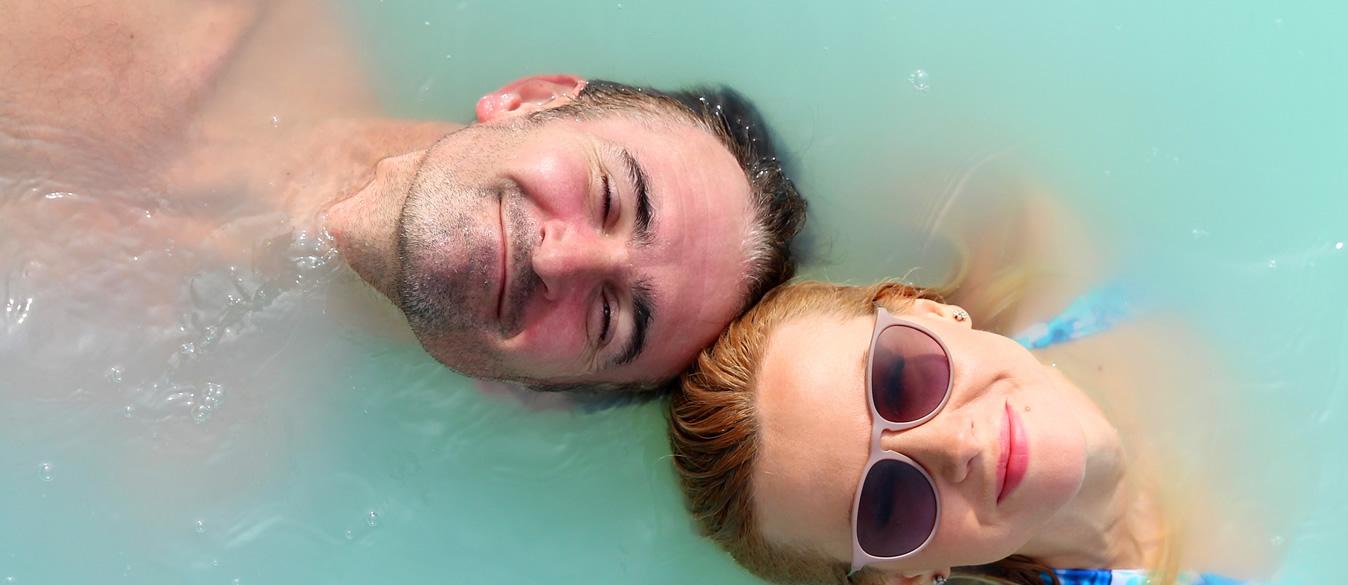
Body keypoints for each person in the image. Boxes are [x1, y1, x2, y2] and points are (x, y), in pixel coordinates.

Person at [0, 0, 806, 391]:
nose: (568, 256)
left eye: (608, 317)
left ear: (537, 398)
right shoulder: (162, 20)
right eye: (606, 196)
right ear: (529, 96)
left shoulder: (186, 450)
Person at [666, 206, 1275, 585]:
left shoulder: (1043, 242)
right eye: (889, 504)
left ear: (931, 311)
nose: (953, 443)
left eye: (902, 381)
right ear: (906, 577)